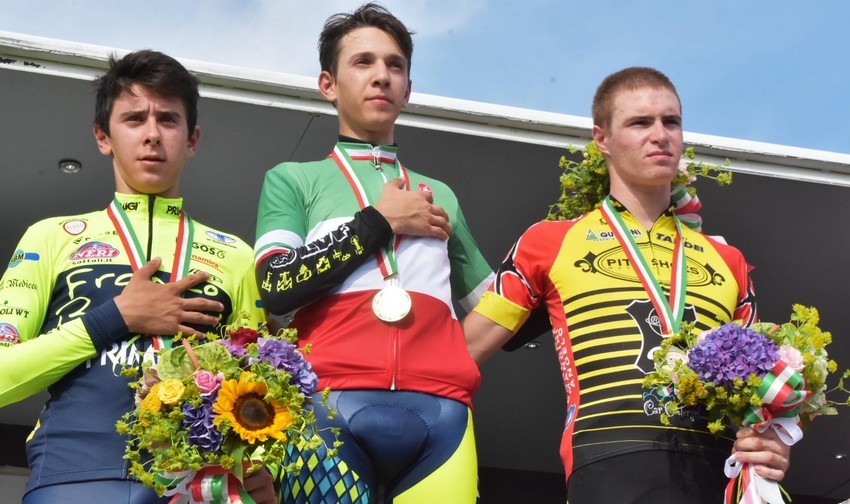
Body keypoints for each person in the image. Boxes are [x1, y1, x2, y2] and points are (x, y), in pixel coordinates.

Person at [463, 67, 791, 503]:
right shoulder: (548, 241)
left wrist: (772, 442)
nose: (660, 135)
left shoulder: (728, 260)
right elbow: (461, 355)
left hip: (713, 470)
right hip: (606, 462)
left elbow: (759, 391)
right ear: (602, 138)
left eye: (671, 122)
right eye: (640, 122)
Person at [0, 50, 274, 504]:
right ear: (102, 136)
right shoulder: (49, 237)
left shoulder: (236, 256)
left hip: (201, 487)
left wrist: (265, 470)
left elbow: (264, 389)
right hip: (74, 476)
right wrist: (116, 317)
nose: (152, 134)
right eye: (133, 119)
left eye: (168, 119)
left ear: (192, 139)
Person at [253, 3, 493, 502]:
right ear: (328, 84)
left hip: (442, 412)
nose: (381, 75)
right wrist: (380, 223)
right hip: (327, 408)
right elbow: (275, 286)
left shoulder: (441, 195)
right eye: (363, 62)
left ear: (408, 89)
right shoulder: (293, 179)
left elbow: (496, 306)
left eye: (394, 65)